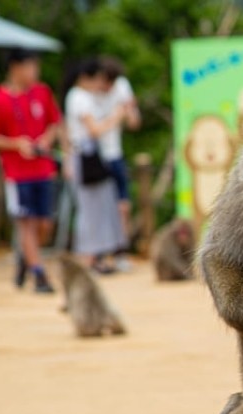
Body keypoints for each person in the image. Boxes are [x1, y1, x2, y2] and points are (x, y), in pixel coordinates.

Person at [0, 48, 62, 293]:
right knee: (27, 223)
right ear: (15, 67)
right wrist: (16, 144)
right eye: (31, 66)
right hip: (17, 173)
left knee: (45, 224)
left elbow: (55, 123)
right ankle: (39, 274)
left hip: (43, 169)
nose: (35, 71)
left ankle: (25, 257)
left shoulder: (42, 92)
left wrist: (46, 141)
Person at [64, 58, 126, 273]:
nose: (100, 84)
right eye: (97, 79)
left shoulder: (82, 97)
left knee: (98, 207)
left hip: (90, 156)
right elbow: (94, 130)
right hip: (85, 157)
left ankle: (95, 257)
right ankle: (88, 259)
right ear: (85, 78)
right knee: (89, 209)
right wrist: (116, 116)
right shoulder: (79, 97)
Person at [99, 56, 141, 271]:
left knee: (123, 205)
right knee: (101, 206)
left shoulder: (122, 86)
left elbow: (134, 122)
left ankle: (121, 250)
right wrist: (117, 115)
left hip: (115, 153)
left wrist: (129, 110)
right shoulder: (89, 91)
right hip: (95, 156)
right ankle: (101, 252)